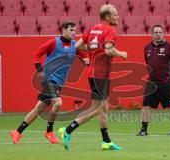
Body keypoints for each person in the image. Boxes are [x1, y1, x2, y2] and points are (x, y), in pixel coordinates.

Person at [58, 4, 127, 151]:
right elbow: (109, 50)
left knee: (103, 107)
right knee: (99, 109)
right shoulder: (110, 31)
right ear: (107, 17)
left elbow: (77, 45)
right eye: (115, 14)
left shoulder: (92, 29)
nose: (117, 16)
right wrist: (121, 54)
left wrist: (92, 51)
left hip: (94, 72)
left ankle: (106, 141)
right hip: (100, 74)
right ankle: (68, 129)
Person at [10, 21, 89, 144]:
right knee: (58, 103)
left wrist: (85, 60)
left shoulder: (75, 45)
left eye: (75, 30)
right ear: (63, 30)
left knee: (39, 108)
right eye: (71, 30)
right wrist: (39, 71)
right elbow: (37, 54)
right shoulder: (53, 43)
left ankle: (18, 131)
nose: (74, 32)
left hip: (58, 83)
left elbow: (83, 55)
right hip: (49, 79)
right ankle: (49, 131)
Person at [137, 24, 170, 136]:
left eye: (160, 32)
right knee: (146, 106)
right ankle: (144, 130)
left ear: (163, 33)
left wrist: (167, 73)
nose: (158, 34)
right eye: (156, 32)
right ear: (151, 34)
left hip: (166, 82)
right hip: (151, 82)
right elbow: (148, 63)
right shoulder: (147, 48)